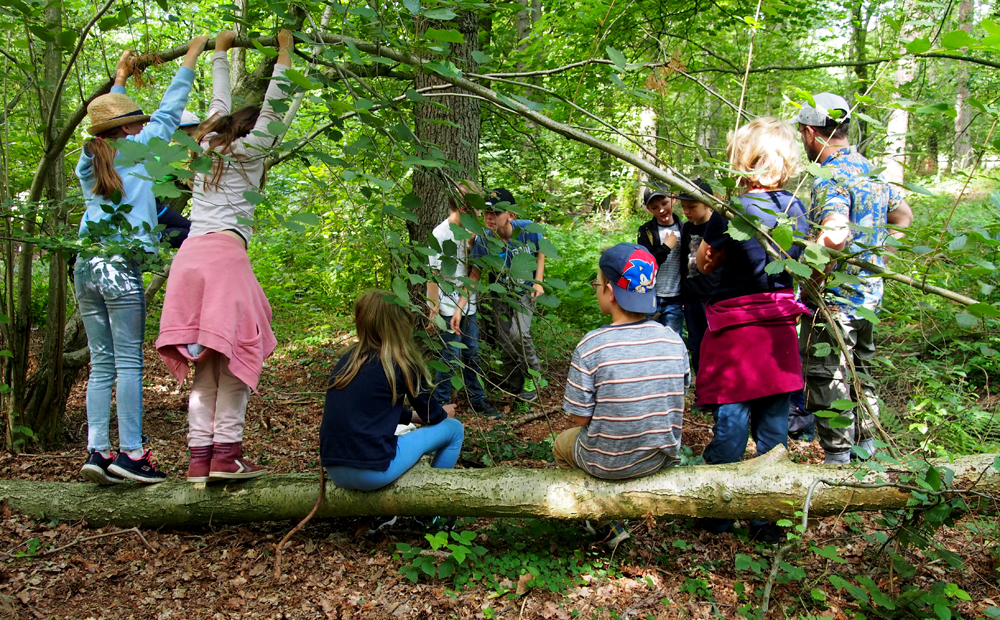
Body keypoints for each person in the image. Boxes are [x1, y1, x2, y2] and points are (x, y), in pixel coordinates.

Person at [156, 29, 295, 483]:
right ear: (258, 130)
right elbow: (279, 104)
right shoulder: (254, 150)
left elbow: (219, 103)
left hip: (189, 260)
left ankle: (201, 458)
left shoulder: (205, 147)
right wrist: (286, 52)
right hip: (223, 259)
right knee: (237, 353)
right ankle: (226, 455)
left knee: (208, 363)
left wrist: (218, 52)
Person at [75, 36, 209, 485]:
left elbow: (108, 120)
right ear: (130, 128)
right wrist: (191, 55)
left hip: (86, 265)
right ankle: (131, 453)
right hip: (120, 267)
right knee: (129, 362)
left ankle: (98, 451)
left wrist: (120, 78)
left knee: (102, 362)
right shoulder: (143, 146)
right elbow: (172, 107)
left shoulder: (88, 159)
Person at [695, 118, 812, 538]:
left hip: (739, 327)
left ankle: (717, 512)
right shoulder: (796, 207)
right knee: (774, 425)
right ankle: (770, 519)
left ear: (746, 158)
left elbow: (706, 262)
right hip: (780, 326)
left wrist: (720, 255)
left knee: (732, 420)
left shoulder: (734, 209)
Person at [795, 93, 913, 464]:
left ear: (812, 133)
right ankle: (868, 452)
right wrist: (879, 257)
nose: (802, 141)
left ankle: (839, 461)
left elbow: (833, 234)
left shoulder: (830, 176)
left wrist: (812, 279)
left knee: (828, 374)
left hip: (835, 302)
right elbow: (904, 216)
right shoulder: (870, 170)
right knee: (861, 373)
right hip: (870, 298)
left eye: (802, 133)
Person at [553, 243, 688, 547]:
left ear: (610, 291)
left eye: (597, 283)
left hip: (607, 463)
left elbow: (579, 416)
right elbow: (679, 394)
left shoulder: (592, 345)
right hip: (659, 457)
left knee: (562, 445)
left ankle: (599, 520)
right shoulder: (673, 340)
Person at [320, 290, 464, 491]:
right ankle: (434, 512)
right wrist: (442, 413)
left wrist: (412, 417)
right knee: (455, 429)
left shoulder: (348, 361)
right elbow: (431, 414)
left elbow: (367, 410)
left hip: (334, 469)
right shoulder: (401, 362)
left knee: (406, 430)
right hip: (372, 472)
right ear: (398, 323)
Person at [461, 189, 546, 411]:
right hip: (501, 295)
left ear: (510, 215)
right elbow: (475, 274)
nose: (489, 217)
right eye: (487, 212)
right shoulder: (485, 239)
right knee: (506, 342)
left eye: (496, 212)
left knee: (520, 334)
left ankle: (533, 375)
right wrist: (459, 306)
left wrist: (538, 281)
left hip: (525, 291)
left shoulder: (526, 229)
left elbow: (541, 249)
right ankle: (515, 386)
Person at [427, 181, 502, 419]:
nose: (482, 214)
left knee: (472, 353)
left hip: (467, 306)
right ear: (464, 207)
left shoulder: (477, 235)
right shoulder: (440, 234)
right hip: (447, 308)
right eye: (478, 208)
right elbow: (433, 275)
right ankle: (439, 404)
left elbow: (475, 275)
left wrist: (462, 308)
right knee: (450, 357)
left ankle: (477, 400)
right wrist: (433, 309)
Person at [677, 178, 720, 380]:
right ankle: (702, 391)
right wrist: (683, 296)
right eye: (684, 207)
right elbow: (682, 262)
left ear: (706, 204)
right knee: (696, 344)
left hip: (713, 297)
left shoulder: (718, 226)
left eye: (691, 207)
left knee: (716, 344)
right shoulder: (687, 228)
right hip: (692, 297)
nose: (686, 211)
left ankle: (718, 389)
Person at [637, 182, 684, 338]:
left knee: (672, 340)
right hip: (651, 297)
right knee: (649, 339)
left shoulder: (685, 229)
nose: (662, 209)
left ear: (673, 200)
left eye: (664, 203)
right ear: (649, 209)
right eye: (655, 207)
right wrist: (666, 247)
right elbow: (647, 264)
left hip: (675, 299)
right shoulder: (646, 231)